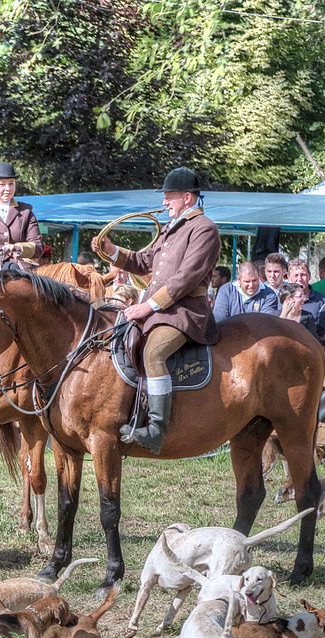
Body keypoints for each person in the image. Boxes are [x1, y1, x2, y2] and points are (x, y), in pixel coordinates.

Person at [89, 167, 221, 454]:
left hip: (186, 313)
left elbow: (186, 278)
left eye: (169, 197)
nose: (164, 203)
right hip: (160, 311)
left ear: (187, 198)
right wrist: (111, 250)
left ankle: (156, 429)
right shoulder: (171, 230)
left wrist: (147, 305)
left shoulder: (205, 229)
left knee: (154, 352)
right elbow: (143, 261)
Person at [213, 261, 279, 320]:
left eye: (254, 280)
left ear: (259, 277)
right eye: (247, 281)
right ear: (239, 279)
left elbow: (265, 323)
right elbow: (219, 319)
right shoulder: (226, 290)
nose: (251, 285)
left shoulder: (269, 295)